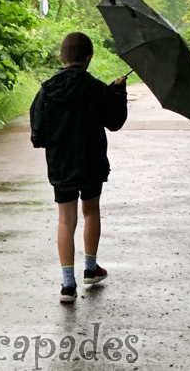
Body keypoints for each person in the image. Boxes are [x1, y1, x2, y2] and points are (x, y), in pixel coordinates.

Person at [29, 32, 128, 303]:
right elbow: (115, 122)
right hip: (92, 161)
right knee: (91, 210)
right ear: (89, 58)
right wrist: (117, 92)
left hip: (61, 164)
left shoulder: (47, 89)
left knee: (65, 219)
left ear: (61, 57)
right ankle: (90, 268)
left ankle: (67, 285)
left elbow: (38, 136)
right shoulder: (97, 88)